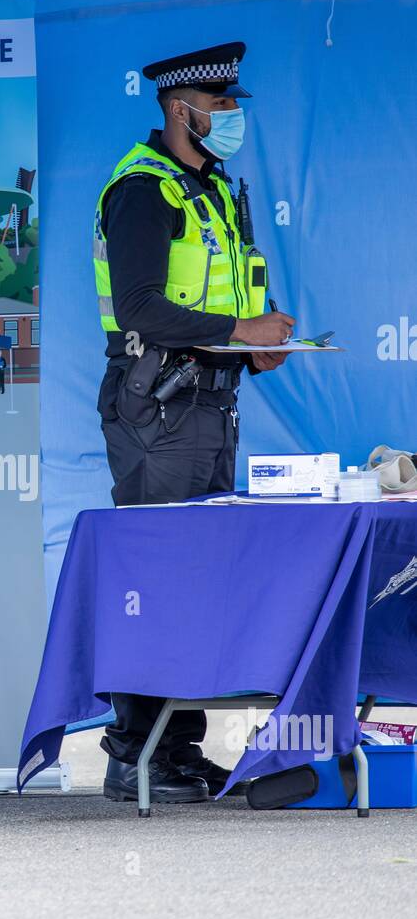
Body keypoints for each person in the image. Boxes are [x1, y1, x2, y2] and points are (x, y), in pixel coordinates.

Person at [93, 42, 295, 807]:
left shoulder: (207, 189)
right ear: (181, 110)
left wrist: (255, 349)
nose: (232, 116)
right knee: (157, 577)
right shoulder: (143, 191)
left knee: (196, 579)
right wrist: (242, 333)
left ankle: (175, 748)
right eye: (221, 104)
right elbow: (142, 307)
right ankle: (132, 753)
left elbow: (215, 309)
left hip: (206, 400)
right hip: (157, 407)